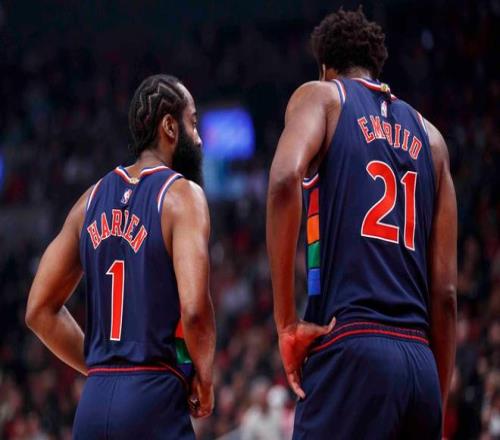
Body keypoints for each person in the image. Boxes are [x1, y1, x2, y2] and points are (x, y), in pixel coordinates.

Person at [266, 8, 457, 439]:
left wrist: (286, 324)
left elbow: (282, 180)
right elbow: (445, 295)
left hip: (352, 347)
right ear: (376, 67)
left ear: (325, 68)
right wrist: (435, 402)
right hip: (421, 365)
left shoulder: (324, 97)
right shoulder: (433, 141)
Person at [26, 74, 216, 439]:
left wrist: (101, 368)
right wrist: (205, 381)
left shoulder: (90, 200)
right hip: (154, 397)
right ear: (169, 127)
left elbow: (38, 309)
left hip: (93, 404)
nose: (199, 138)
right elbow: (194, 310)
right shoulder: (182, 196)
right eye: (193, 123)